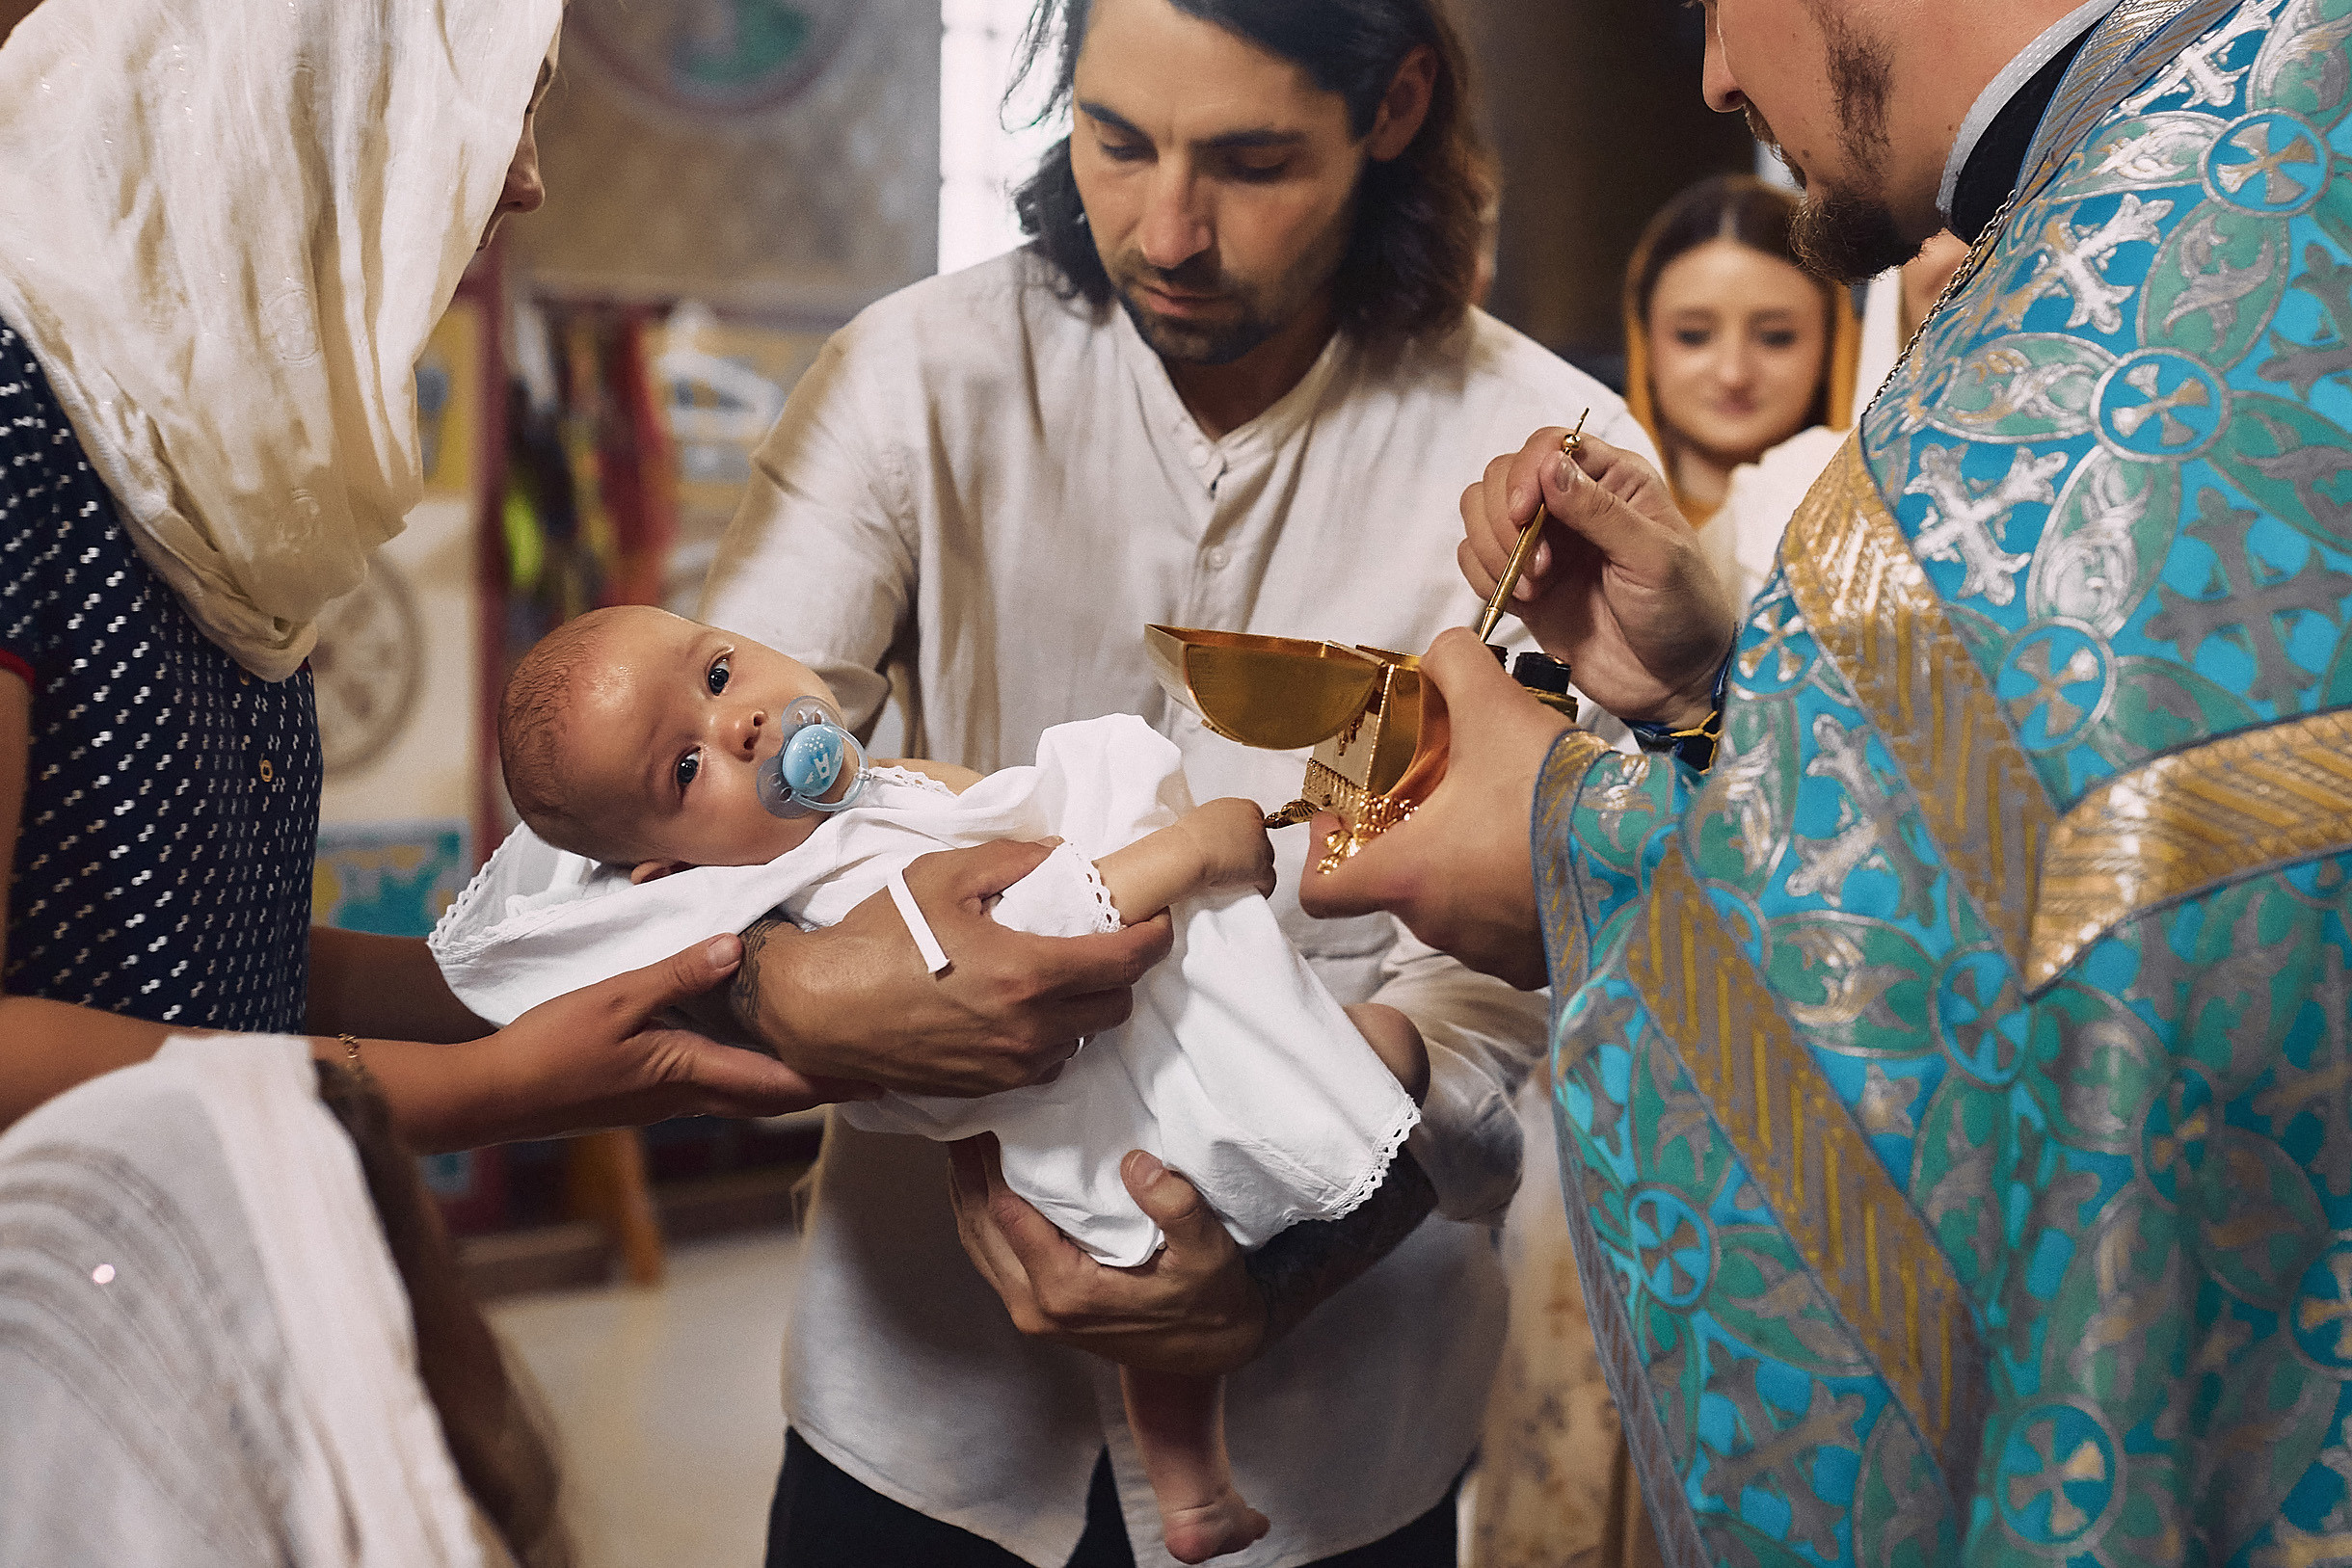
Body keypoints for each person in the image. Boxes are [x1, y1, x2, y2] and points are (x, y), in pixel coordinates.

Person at [1310, 0, 2352, 1559]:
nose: (1717, 76)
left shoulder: (2126, 302)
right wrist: (1706, 693)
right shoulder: (2221, 169)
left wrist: (1569, 843)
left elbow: (2130, 980)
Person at [664, 0, 1651, 1558]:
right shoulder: (911, 377)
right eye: (1115, 141)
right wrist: (794, 988)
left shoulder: (1545, 453)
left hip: (1335, 1438)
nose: (1167, 231)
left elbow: (1533, 967)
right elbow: (690, 828)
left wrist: (1288, 1268)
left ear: (1395, 108)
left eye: (1250, 164)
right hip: (923, 1401)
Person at [0, 0, 1166, 1153]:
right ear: (290, 94)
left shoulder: (206, 484)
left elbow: (221, 967)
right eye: (488, 107)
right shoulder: (21, 433)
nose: (526, 181)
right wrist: (486, 1088)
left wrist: (672, 979)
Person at [436, 602, 1431, 1563]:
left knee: (1338, 1100)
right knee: (1165, 1279)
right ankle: (1195, 1487)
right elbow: (1036, 932)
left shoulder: (866, 796)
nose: (737, 724)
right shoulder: (819, 894)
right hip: (1081, 1108)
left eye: (719, 671)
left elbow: (983, 814)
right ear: (669, 871)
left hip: (1129, 1055)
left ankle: (1195, 1492)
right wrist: (1191, 851)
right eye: (687, 767)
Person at [1621, 173, 1860, 608]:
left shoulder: (1880, 524)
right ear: (1644, 343)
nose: (1733, 374)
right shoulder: (1589, 523)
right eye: (1693, 335)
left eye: (1776, 337)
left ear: (1833, 347)